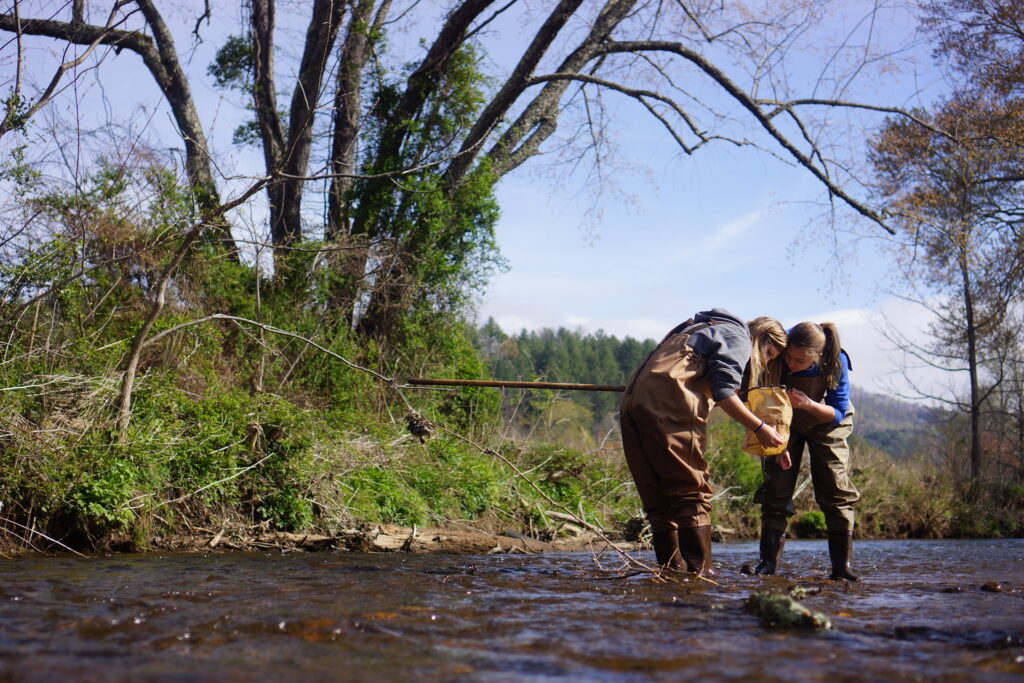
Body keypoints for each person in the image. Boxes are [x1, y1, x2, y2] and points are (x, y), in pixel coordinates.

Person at [620, 309, 787, 576]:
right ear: (762, 337)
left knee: (658, 501)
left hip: (632, 403)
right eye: (768, 354)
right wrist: (760, 427)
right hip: (668, 400)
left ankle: (672, 574)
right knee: (691, 492)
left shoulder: (696, 329)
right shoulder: (740, 336)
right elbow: (723, 394)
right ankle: (701, 578)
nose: (765, 363)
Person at [747, 321, 860, 581]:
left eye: (799, 361)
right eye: (788, 356)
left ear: (818, 356)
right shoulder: (778, 353)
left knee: (835, 490)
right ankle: (767, 565)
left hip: (828, 421)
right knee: (776, 487)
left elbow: (838, 412)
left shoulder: (836, 359)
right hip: (782, 420)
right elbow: (763, 402)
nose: (790, 364)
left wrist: (808, 404)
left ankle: (842, 569)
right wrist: (778, 446)